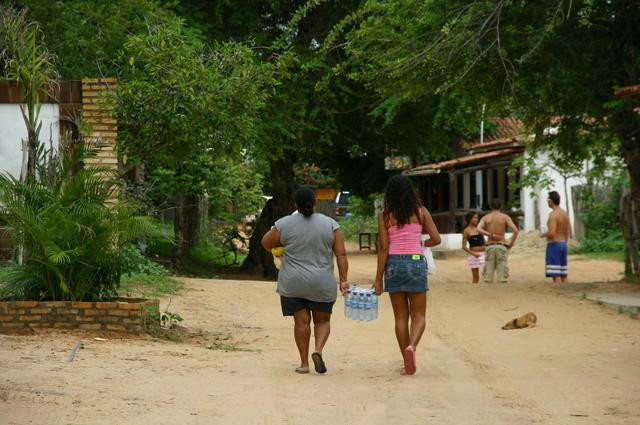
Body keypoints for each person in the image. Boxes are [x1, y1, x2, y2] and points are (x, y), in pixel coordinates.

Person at [262, 188, 349, 375]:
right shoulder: (331, 224)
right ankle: (317, 350)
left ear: (296, 205)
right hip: (321, 282)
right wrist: (343, 280)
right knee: (322, 321)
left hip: (293, 282)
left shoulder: (283, 224)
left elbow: (265, 243)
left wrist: (280, 248)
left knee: (301, 322)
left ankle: (304, 364)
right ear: (315, 203)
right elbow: (341, 254)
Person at [373, 174, 441, 375]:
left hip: (394, 264)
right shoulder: (421, 212)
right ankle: (412, 346)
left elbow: (384, 248)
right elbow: (436, 239)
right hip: (415, 263)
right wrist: (421, 244)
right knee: (419, 315)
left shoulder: (386, 216)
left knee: (400, 318)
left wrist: (378, 279)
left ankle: (406, 360)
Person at [477, 198, 519, 283]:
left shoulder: (485, 217)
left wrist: (490, 235)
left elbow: (478, 229)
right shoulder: (505, 217)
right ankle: (501, 294)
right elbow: (516, 230)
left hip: (490, 246)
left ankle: (488, 295)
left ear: (490, 206)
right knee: (502, 276)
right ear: (501, 206)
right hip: (501, 245)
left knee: (488, 277)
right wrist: (511, 243)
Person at [540, 191, 571, 282]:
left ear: (551, 201)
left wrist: (543, 234)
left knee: (555, 274)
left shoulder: (553, 215)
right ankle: (566, 292)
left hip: (554, 245)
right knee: (563, 274)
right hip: (563, 244)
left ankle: (558, 294)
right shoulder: (565, 213)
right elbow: (569, 230)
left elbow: (552, 233)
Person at [462, 212, 485, 283]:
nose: (476, 219)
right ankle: (474, 291)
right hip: (474, 256)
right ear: (469, 219)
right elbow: (464, 246)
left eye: (477, 218)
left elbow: (484, 241)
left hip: (484, 254)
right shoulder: (466, 230)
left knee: (488, 273)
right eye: (474, 217)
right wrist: (473, 254)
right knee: (476, 277)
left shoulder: (479, 228)